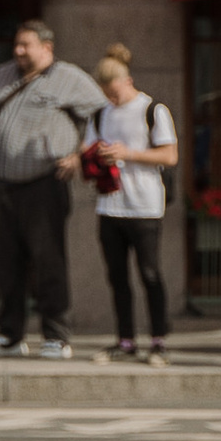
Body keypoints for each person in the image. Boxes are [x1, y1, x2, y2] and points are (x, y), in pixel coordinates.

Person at [0, 18, 102, 361]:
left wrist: (78, 154)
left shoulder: (69, 78)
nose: (18, 51)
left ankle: (56, 335)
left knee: (48, 262)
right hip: (2, 186)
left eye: (25, 45)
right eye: (16, 45)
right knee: (5, 262)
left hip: (43, 184)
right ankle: (10, 334)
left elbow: (103, 115)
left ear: (47, 47)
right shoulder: (3, 73)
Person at [87, 44, 176, 363]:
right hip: (110, 205)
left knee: (150, 273)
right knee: (117, 277)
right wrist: (94, 157)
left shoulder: (152, 110)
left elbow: (169, 155)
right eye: (105, 93)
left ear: (127, 81)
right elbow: (88, 149)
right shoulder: (100, 114)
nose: (111, 98)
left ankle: (158, 339)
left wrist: (128, 153)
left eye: (113, 91)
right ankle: (125, 340)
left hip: (145, 206)